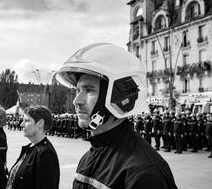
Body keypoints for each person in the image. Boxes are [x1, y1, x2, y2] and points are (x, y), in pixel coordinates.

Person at [55, 43, 177, 189]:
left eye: (89, 90)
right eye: (78, 90)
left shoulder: (144, 172)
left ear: (119, 97)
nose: (77, 101)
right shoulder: (88, 157)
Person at [6, 105, 60, 189]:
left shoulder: (45, 153)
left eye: (27, 121)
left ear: (40, 124)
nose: (22, 124)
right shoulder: (31, 148)